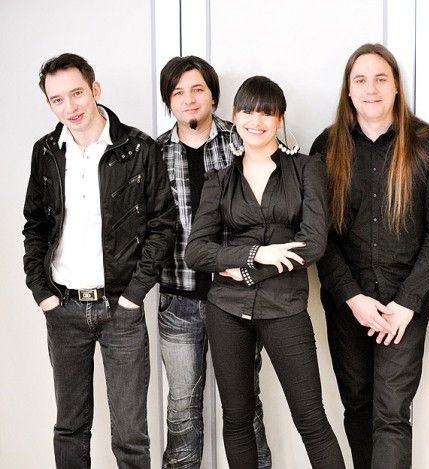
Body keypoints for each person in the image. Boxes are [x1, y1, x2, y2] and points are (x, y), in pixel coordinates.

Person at [22, 53, 177, 468]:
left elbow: (163, 225)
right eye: (57, 99)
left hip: (120, 309)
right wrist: (41, 291)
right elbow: (35, 225)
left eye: (76, 93)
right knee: (70, 429)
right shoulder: (46, 152)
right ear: (49, 104)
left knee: (130, 436)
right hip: (63, 307)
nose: (69, 107)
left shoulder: (138, 148)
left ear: (95, 89)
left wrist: (134, 295)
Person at [185, 76, 344, 469]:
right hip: (226, 309)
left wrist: (248, 270)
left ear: (279, 118)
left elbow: (313, 244)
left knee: (311, 419)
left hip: (285, 307)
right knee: (237, 418)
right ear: (234, 115)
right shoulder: (220, 179)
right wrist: (257, 253)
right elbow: (196, 251)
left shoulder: (306, 169)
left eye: (266, 113)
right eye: (247, 111)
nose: (255, 121)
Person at [311, 43, 429, 469]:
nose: (370, 89)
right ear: (348, 90)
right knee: (357, 406)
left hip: (402, 306)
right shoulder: (327, 146)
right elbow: (319, 234)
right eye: (360, 80)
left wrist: (408, 301)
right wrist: (352, 297)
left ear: (395, 87)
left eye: (380, 79)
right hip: (348, 304)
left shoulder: (427, 143)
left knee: (391, 414)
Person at [157, 55, 271, 469]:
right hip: (178, 300)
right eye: (178, 92)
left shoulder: (241, 141)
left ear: (213, 95)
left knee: (245, 406)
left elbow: (269, 210)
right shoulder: (155, 153)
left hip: (237, 297)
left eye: (197, 89)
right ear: (169, 101)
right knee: (182, 408)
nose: (189, 99)